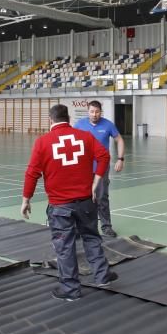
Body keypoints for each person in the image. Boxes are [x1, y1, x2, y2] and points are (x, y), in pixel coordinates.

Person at [22, 104, 116, 301]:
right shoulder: (85, 137)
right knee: (91, 237)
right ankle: (102, 275)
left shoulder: (43, 142)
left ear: (50, 120)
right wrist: (96, 181)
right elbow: (104, 156)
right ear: (69, 118)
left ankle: (71, 289)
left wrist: (26, 199)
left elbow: (32, 173)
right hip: (86, 202)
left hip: (60, 206)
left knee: (65, 246)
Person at [72, 100, 125, 237]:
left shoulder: (108, 125)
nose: (94, 114)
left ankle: (106, 226)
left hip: (101, 168)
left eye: (97, 112)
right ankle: (80, 227)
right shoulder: (79, 125)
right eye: (92, 111)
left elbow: (119, 140)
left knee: (102, 197)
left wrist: (120, 159)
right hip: (83, 168)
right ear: (87, 112)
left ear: (101, 112)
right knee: (82, 198)